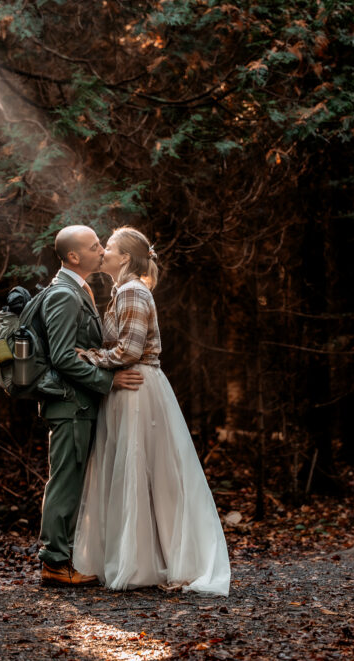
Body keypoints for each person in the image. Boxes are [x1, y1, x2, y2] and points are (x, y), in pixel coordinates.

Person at [73, 227, 230, 596]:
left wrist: (87, 358)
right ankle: (140, 557)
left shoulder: (131, 291)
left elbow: (128, 350)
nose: (102, 252)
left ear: (124, 258)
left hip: (138, 388)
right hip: (128, 387)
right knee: (135, 470)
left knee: (149, 471)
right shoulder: (122, 292)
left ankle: (163, 561)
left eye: (108, 247)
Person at [38, 225, 143, 587]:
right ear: (73, 257)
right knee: (65, 481)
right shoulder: (65, 294)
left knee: (72, 480)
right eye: (94, 245)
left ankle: (62, 559)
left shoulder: (78, 290)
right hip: (69, 404)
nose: (102, 250)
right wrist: (108, 381)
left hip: (79, 404)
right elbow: (64, 356)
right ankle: (54, 562)